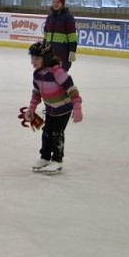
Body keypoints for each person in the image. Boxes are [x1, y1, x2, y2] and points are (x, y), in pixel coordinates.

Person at [24, 41, 83, 175]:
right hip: (50, 108)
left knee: (57, 133)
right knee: (46, 132)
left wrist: (77, 107)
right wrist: (31, 109)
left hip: (64, 109)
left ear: (46, 58)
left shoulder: (57, 72)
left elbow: (72, 89)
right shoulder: (37, 74)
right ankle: (45, 157)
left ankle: (57, 160)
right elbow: (36, 93)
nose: (33, 61)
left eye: (37, 58)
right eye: (32, 57)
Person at [43, 0, 77, 71]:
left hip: (63, 52)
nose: (55, 4)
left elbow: (72, 36)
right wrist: (44, 46)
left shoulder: (68, 17)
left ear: (62, 3)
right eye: (54, 2)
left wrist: (72, 50)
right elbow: (46, 34)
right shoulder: (50, 17)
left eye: (58, 2)